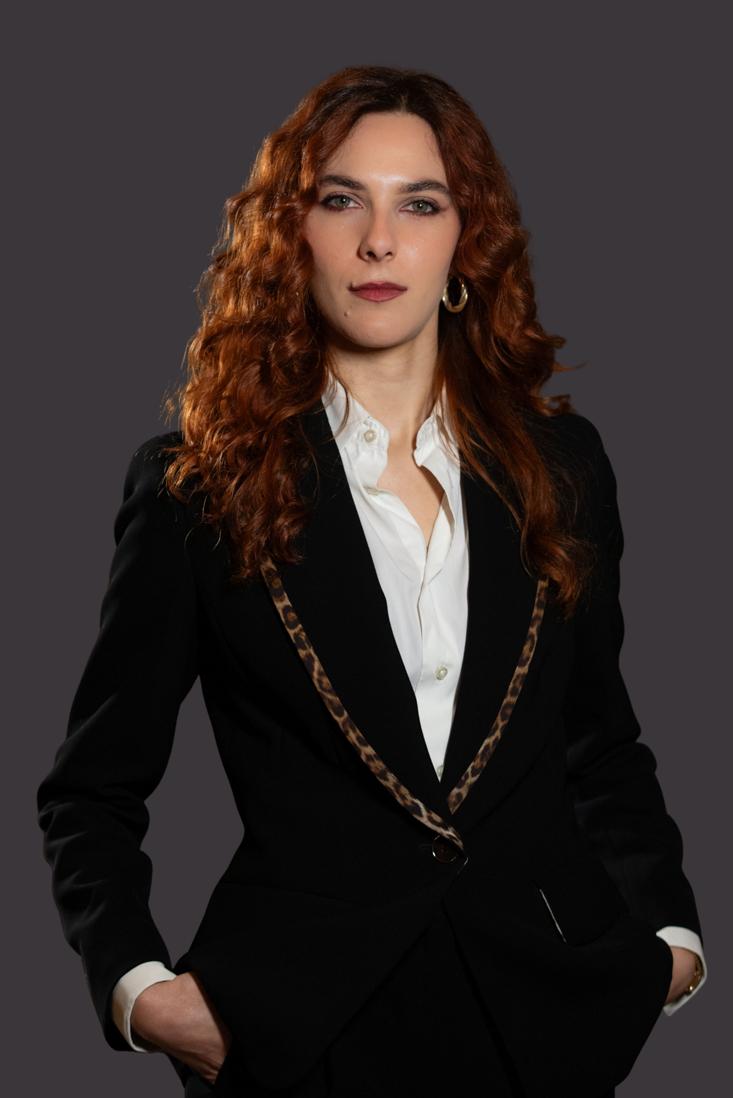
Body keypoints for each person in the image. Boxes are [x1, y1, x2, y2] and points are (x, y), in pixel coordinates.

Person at [36, 65, 706, 1098]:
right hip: (301, 1034)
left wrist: (669, 939)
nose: (379, 241)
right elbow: (93, 788)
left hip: (543, 1027)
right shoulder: (197, 487)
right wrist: (139, 989)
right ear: (290, 235)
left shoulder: (560, 469)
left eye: (420, 204)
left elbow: (600, 745)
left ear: (464, 242)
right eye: (341, 200)